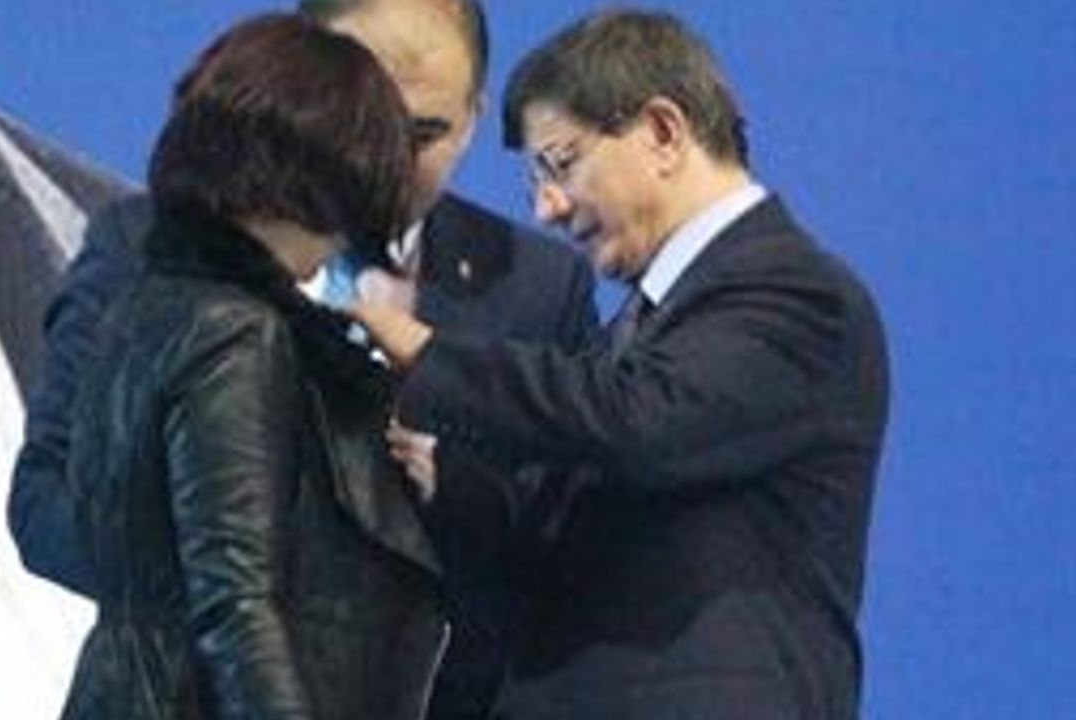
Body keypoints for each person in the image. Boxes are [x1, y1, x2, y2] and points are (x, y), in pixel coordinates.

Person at [9, 1, 597, 717]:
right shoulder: (146, 252)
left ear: (475, 115)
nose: (389, 157)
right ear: (300, 89)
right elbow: (44, 500)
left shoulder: (540, 289)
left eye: (424, 131)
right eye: (368, 120)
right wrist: (237, 572)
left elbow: (569, 551)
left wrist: (446, 484)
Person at [355, 8, 890, 719]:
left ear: (663, 132)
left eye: (560, 164)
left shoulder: (795, 294)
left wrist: (427, 353)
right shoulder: (648, 326)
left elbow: (636, 423)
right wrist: (440, 470)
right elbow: (572, 523)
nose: (546, 208)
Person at [57, 15, 445, 718]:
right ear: (318, 177)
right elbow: (235, 602)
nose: (347, 239)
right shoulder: (239, 334)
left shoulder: (147, 304)